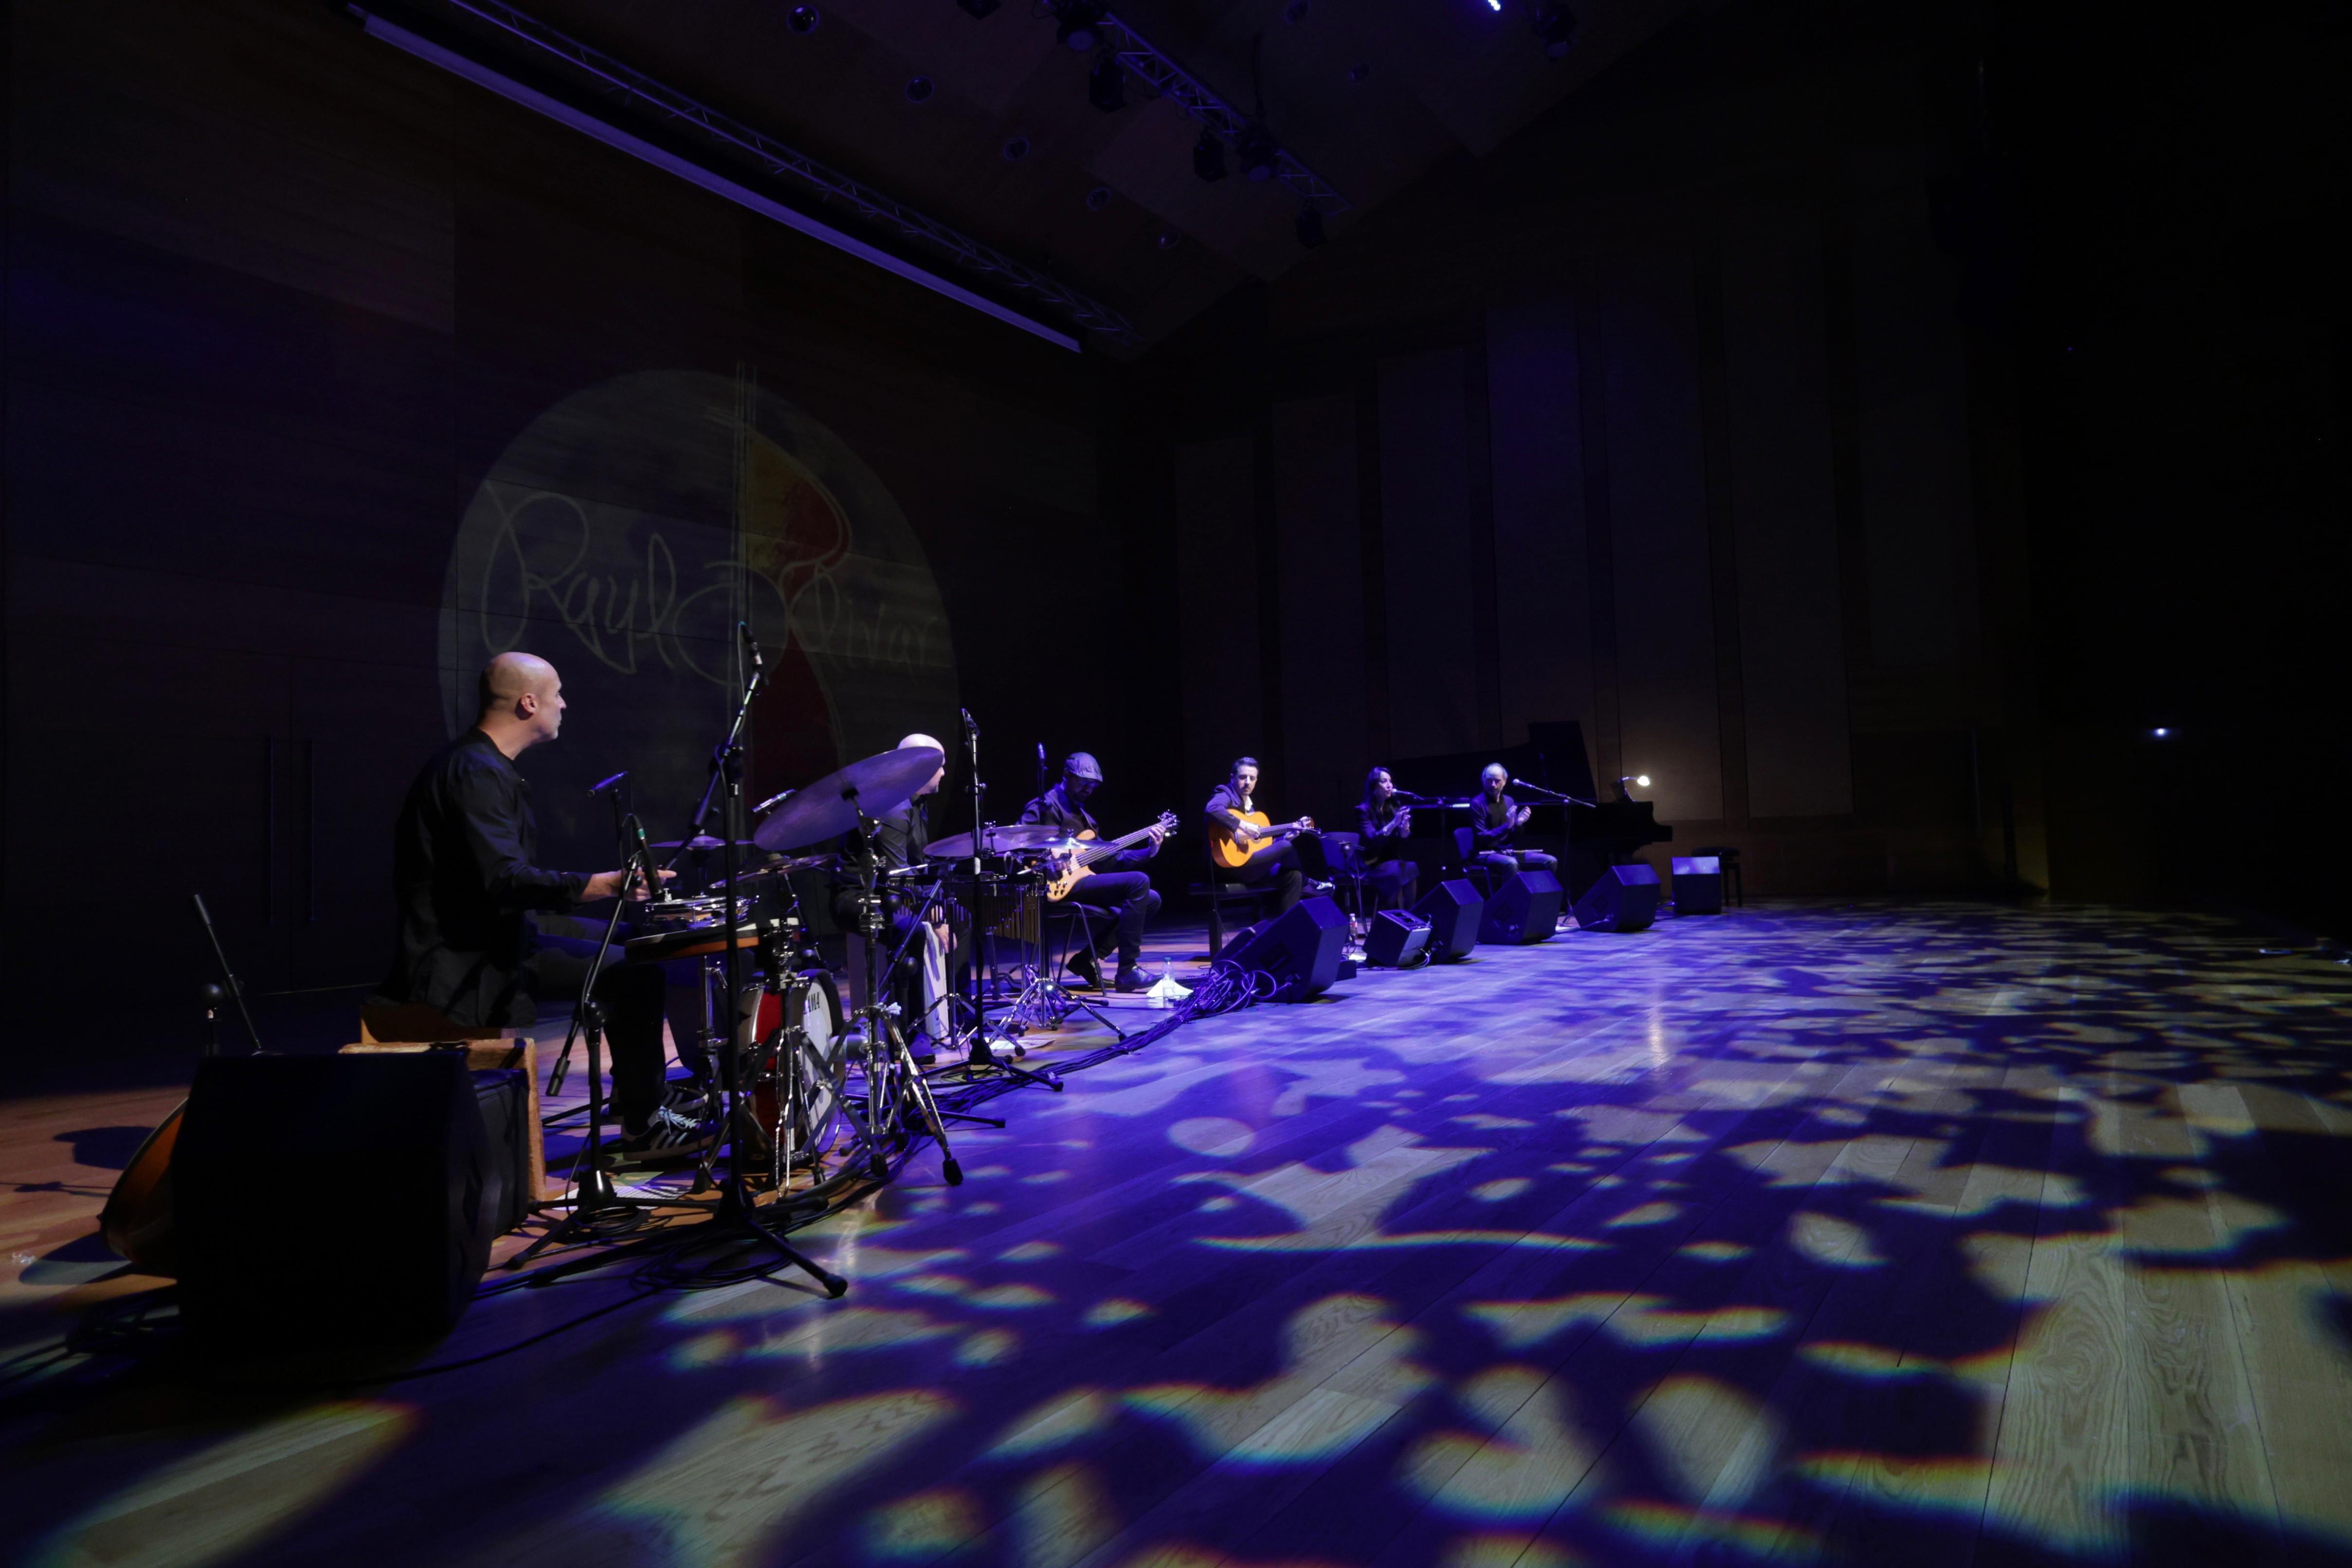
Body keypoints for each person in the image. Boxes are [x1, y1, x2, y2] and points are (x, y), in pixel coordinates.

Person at [366, 652, 695, 1160]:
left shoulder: (483, 766)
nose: (564, 704)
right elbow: (504, 881)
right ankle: (644, 1127)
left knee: (639, 944)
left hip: (490, 933)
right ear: (528, 703)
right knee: (635, 972)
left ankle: (636, 1096)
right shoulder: (475, 774)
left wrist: (606, 887)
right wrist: (605, 885)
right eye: (556, 694)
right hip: (465, 959)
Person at [832, 732, 953, 1060]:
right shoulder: (893, 808)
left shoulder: (916, 803)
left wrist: (940, 910)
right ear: (920, 768)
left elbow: (916, 866)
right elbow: (897, 880)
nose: (944, 773)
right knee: (911, 932)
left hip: (889, 894)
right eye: (940, 766)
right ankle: (910, 1032)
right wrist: (931, 915)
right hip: (857, 898)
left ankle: (953, 1009)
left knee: (960, 917)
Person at [1021, 751, 1165, 992]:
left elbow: (1112, 859)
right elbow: (1017, 839)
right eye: (1084, 783)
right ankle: (1127, 970)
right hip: (1049, 883)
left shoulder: (1087, 821)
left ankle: (1086, 960)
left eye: (1093, 786)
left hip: (1080, 880)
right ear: (1067, 776)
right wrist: (1047, 852)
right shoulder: (1045, 806)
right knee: (1139, 882)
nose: (1089, 790)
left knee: (1151, 900)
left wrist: (1149, 851)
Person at [1204, 756, 1306, 915]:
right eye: (1243, 777)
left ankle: (1289, 926)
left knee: (1293, 876)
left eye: (1252, 778)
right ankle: (1309, 884)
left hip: (1248, 866)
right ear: (1232, 778)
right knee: (1286, 848)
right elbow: (1212, 809)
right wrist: (1244, 826)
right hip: (1228, 868)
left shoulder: (1250, 807)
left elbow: (1258, 847)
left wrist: (1285, 838)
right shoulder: (1226, 793)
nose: (1248, 782)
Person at [1468, 762, 1558, 878]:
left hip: (1508, 852)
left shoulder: (1509, 801)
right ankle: (1513, 891)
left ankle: (1539, 891)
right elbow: (1482, 838)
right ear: (1483, 781)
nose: (1493, 785)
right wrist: (1508, 826)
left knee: (1550, 861)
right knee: (1511, 864)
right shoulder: (1477, 803)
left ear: (1505, 781)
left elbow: (1513, 838)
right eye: (1489, 780)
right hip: (1485, 853)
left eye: (1497, 781)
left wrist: (1519, 824)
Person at [1356, 766, 1421, 910]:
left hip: (1390, 859)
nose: (1389, 785)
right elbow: (1372, 839)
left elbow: (1403, 837)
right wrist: (1394, 823)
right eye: (1384, 781)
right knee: (1397, 872)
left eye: (1390, 781)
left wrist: (1405, 826)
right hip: (1371, 862)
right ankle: (1388, 913)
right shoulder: (1363, 811)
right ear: (1374, 786)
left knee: (1411, 866)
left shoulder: (1392, 807)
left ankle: (1411, 913)